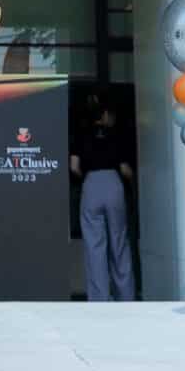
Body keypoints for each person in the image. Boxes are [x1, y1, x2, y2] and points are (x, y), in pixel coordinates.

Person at [71, 93, 135, 302]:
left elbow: (74, 167)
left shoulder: (81, 135)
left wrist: (88, 178)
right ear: (105, 115)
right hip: (113, 183)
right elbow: (125, 169)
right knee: (119, 242)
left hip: (91, 185)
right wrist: (132, 180)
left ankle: (99, 298)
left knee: (94, 245)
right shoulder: (116, 135)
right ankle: (125, 295)